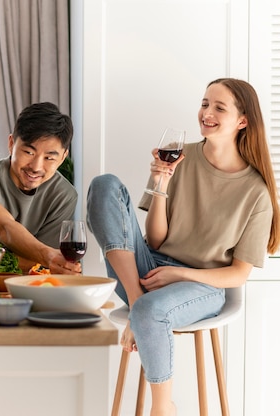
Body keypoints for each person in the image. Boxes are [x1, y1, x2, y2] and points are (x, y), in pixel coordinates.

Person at [86, 78, 280, 416]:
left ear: (242, 121)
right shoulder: (178, 154)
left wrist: (179, 272)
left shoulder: (256, 192)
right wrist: (162, 183)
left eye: (220, 107)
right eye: (205, 104)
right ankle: (136, 301)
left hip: (201, 285)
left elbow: (238, 275)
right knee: (105, 185)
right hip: (145, 272)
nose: (207, 113)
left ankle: (162, 409)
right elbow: (157, 240)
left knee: (150, 312)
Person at [0, 102, 81, 274]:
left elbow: (39, 261)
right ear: (11, 144)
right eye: (29, 152)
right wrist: (47, 257)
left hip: (22, 288)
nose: (36, 167)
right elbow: (4, 227)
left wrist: (46, 259)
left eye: (49, 157)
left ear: (63, 157)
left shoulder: (63, 195)